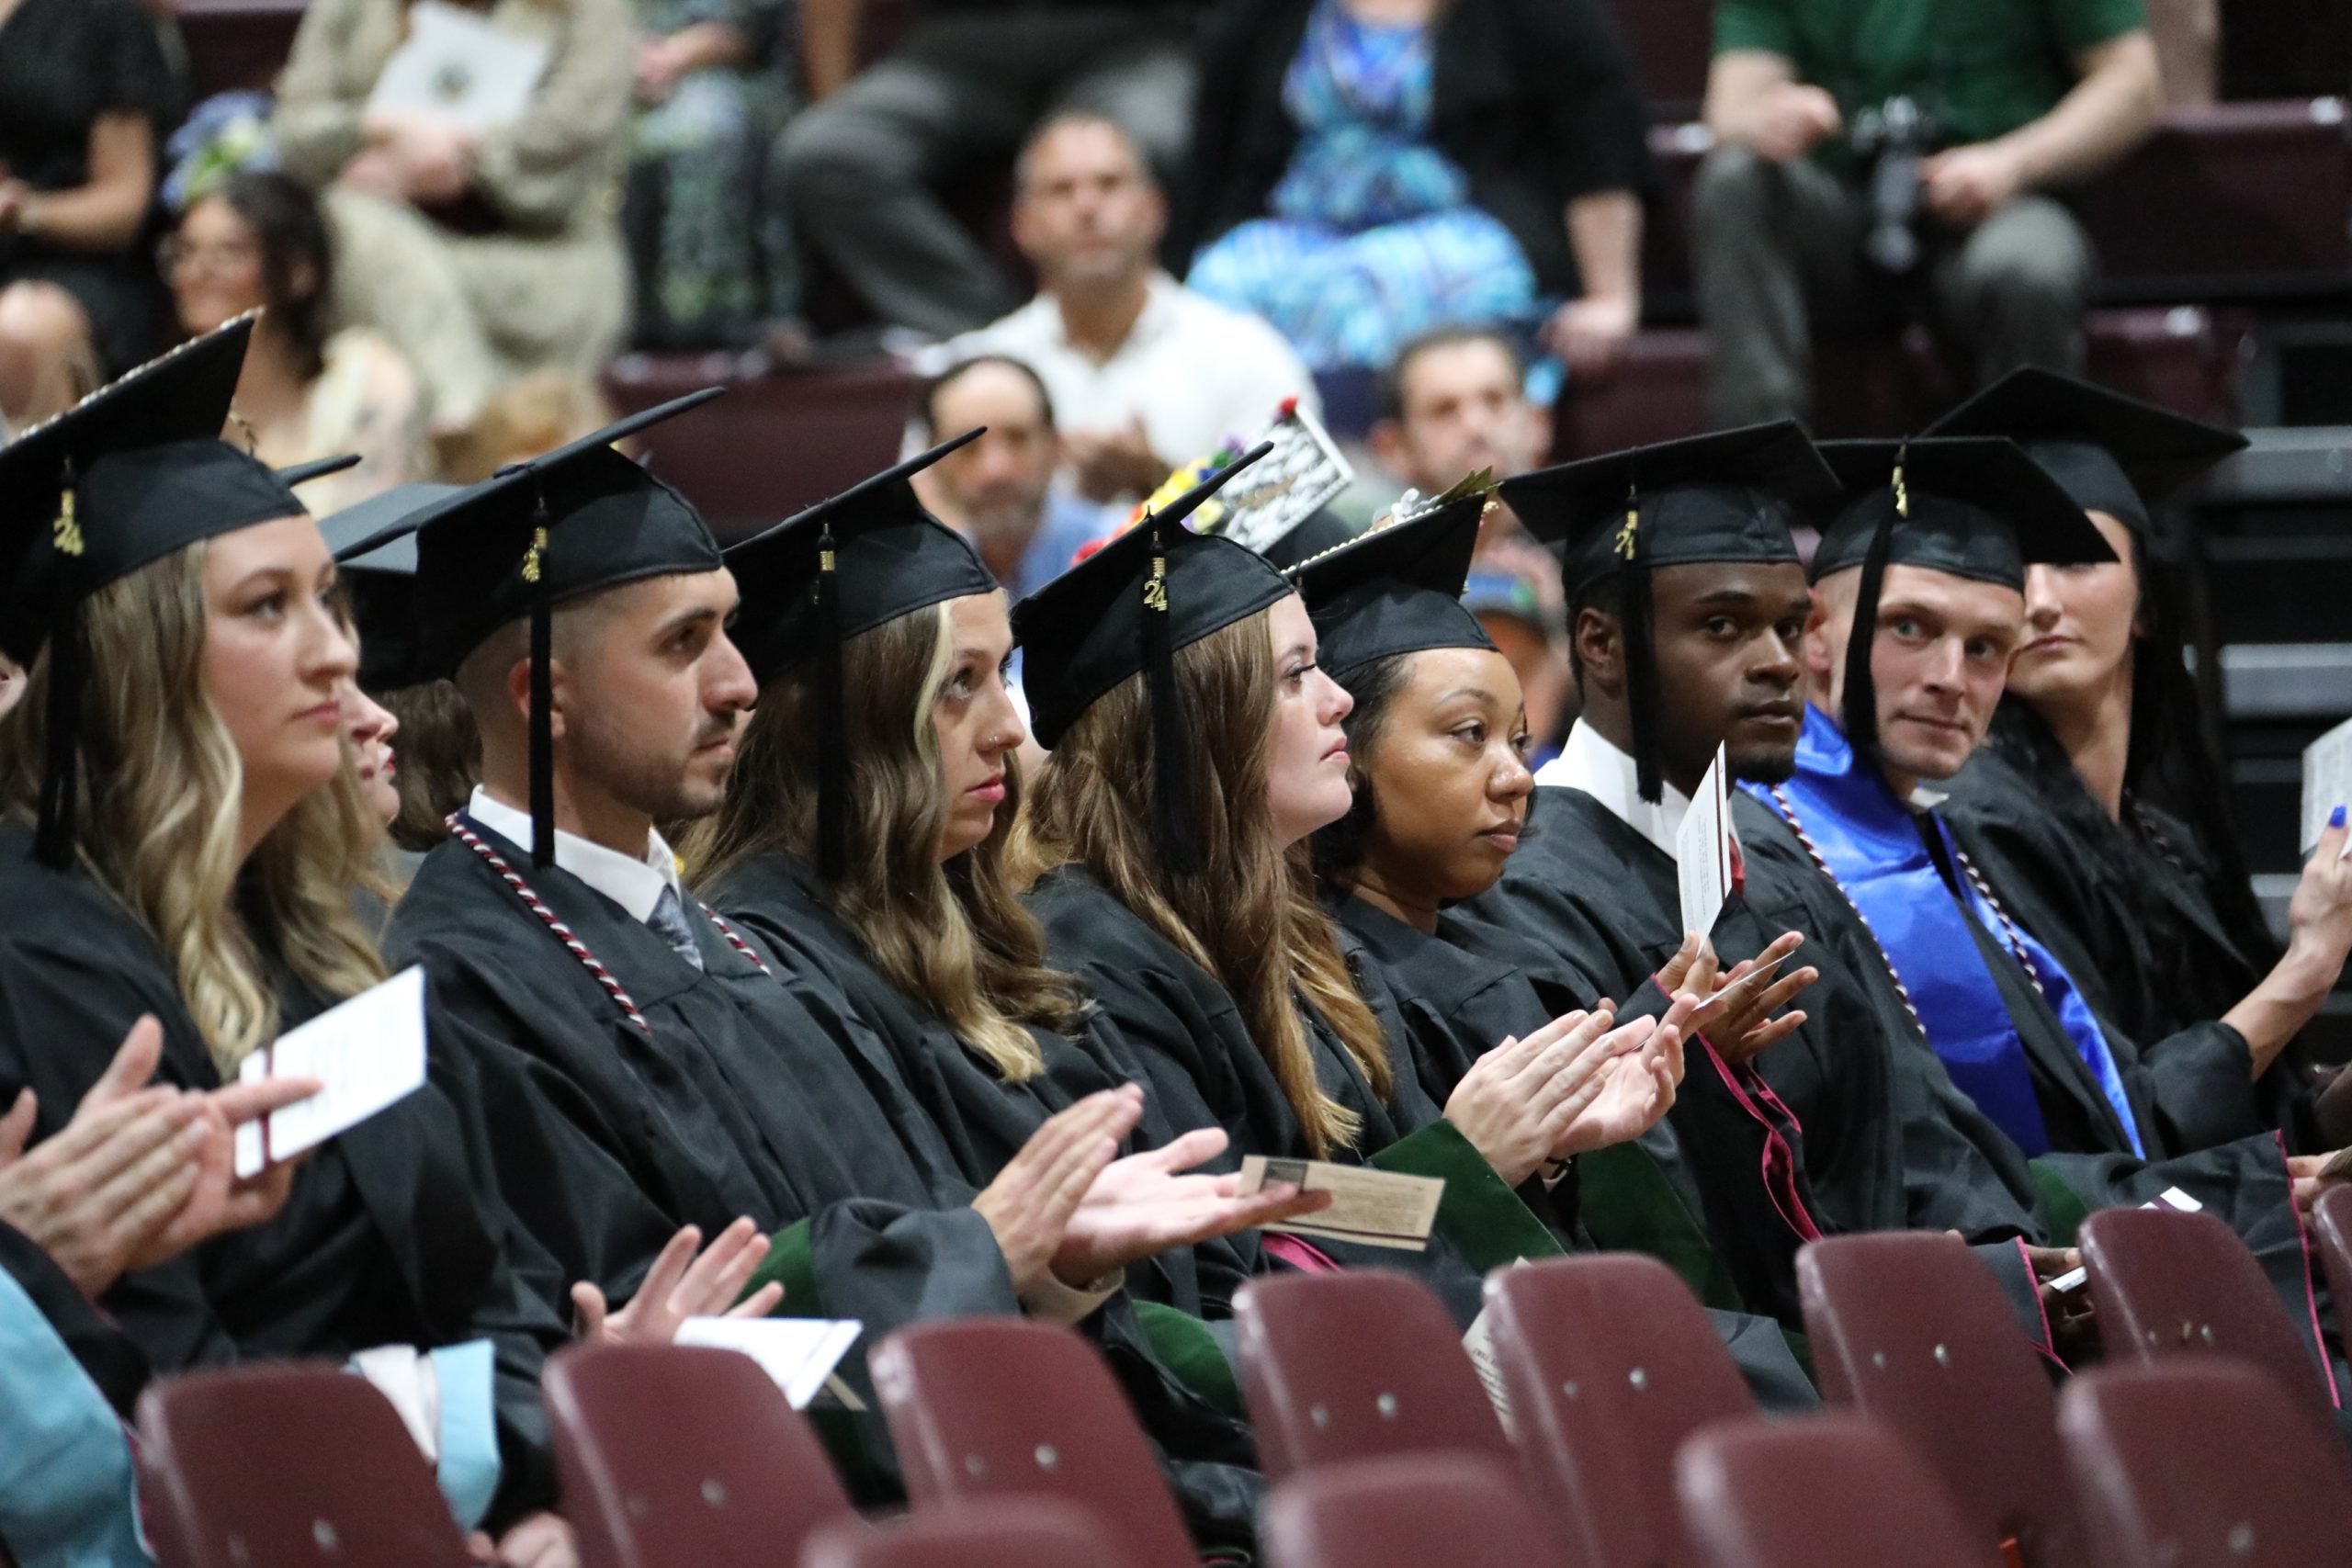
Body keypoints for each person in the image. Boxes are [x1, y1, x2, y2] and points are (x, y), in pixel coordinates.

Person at [373, 399, 1309, 1525]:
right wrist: (984, 1249)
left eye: (728, 631)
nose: (737, 682)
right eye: (682, 644)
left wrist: (1045, 1265)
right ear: (544, 699)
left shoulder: (726, 950)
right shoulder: (462, 989)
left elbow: (934, 1243)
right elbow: (664, 1345)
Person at [0, 320, 583, 1555]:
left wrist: (532, 1492)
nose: (335, 651)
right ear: (135, 665)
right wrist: (447, 1484)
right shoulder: (42, 951)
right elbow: (163, 1377)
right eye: (269, 607)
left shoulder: (323, 950)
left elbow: (495, 1283)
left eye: (329, 598)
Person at [1010, 453, 1701, 1328]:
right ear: (1195, 725)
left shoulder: (1291, 939)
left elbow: (1341, 1194)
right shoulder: (1094, 966)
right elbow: (1224, 1267)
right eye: (1296, 674)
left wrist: (1548, 1134)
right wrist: (1466, 1160)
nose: (1337, 700)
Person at [1452, 423, 2082, 1335]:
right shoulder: (1525, 886)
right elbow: (1640, 1222)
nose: (1780, 663)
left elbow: (1909, 1126)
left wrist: (2005, 1263)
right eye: (1723, 626)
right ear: (1598, 643)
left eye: (1791, 628)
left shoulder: (1762, 857)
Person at [1747, 435, 2350, 1372]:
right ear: (1811, 634)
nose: (1951, 676)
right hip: (1945, 1342)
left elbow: (2096, 1121)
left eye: (1986, 647)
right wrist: (2239, 1189)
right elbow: (1925, 1192)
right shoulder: (1771, 868)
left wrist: (2269, 1176)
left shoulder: (1941, 855)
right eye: (1910, 627)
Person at [1926, 370, 2352, 1148]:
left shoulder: (2165, 844)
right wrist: (2308, 967)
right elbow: (2116, 1124)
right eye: (2010, 570)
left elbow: (2274, 1129)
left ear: (2148, 604)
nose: (2040, 599)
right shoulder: (1979, 826)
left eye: (2076, 561)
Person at [1691, 0, 2162, 426]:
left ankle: (2026, 499)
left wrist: (2014, 163)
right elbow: (1730, 113)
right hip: (1843, 203)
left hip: (1998, 200)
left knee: (2031, 265)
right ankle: (1759, 480)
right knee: (1735, 179)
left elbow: (2133, 83)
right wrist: (1772, 118)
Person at [1179, 0, 1652, 376]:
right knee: (1219, 282)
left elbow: (1598, 141)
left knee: (1391, 282)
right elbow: (1213, 153)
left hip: (1460, 234)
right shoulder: (1264, 14)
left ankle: (1388, 467)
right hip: (1297, 230)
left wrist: (1610, 296)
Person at [272, 0, 635, 427]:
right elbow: (293, 131)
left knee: (376, 259)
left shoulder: (590, 10)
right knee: (353, 226)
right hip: (378, 230)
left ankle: (465, 432)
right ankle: (466, 427)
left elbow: (575, 129)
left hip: (541, 249)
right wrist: (376, 126)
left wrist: (457, 158)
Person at [928, 114, 1317, 508]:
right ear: (1022, 224)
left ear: (1154, 209)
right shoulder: (969, 373)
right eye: (1061, 190)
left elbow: (1291, 513)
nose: (1087, 206)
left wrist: (1158, 482)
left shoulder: (1246, 354)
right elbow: (924, 540)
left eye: (1109, 184)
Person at [775, 2, 1209, 339]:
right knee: (824, 154)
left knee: (1136, 150)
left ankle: (1147, 343)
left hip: (1123, 35)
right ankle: (995, 345)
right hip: (962, 42)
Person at [164, 172, 425, 516]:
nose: (195, 273)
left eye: (229, 252)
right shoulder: (169, 407)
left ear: (299, 271)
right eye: (185, 252)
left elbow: (370, 532)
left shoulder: (366, 379)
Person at [0, 0, 175, 423]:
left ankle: (43, 489)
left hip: (79, 267)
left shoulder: (101, 19)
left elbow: (124, 205)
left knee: (18, 329)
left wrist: (23, 211)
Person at [625, 0, 799, 348]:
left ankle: (723, 319)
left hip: (732, 71)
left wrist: (678, 54)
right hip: (618, 58)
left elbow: (763, 23)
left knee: (704, 130)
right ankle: (633, 319)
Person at [910, 358, 1113, 598]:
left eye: (1018, 439)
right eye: (966, 446)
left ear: (1056, 446)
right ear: (933, 463)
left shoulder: (1121, 552)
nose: (996, 470)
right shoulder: (919, 584)